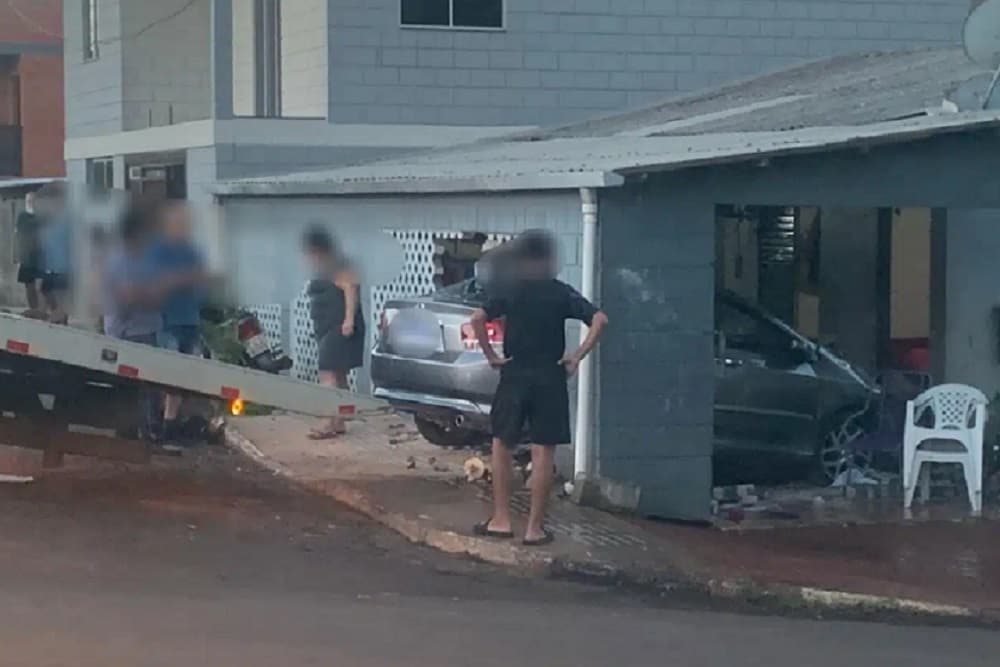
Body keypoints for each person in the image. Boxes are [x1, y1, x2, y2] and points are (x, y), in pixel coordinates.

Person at [470, 230, 608, 546]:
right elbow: (600, 319)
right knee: (544, 450)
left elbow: (477, 318)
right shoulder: (561, 292)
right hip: (550, 375)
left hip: (514, 372)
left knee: (502, 445)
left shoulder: (510, 290)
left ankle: (501, 520)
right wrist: (576, 357)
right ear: (547, 260)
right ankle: (534, 529)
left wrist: (492, 356)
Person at [103, 205, 165, 442]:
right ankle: (131, 432)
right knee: (133, 387)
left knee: (148, 387)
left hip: (145, 330)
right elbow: (129, 296)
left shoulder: (143, 258)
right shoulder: (122, 260)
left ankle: (144, 430)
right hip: (128, 333)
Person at [148, 201, 207, 444]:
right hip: (165, 320)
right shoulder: (158, 251)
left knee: (184, 375)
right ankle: (162, 423)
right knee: (169, 373)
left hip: (189, 319)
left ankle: (170, 423)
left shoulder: (192, 251)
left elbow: (201, 282)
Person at [301, 226, 364, 439]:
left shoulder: (337, 265)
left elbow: (351, 288)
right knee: (338, 373)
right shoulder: (324, 268)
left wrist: (348, 320)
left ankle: (328, 420)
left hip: (339, 327)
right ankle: (339, 419)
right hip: (328, 326)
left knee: (327, 372)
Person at [35, 182, 73, 324]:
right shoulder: (48, 222)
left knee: (61, 307)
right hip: (49, 270)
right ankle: (56, 322)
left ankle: (59, 323)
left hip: (64, 271)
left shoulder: (69, 221)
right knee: (46, 298)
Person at [14, 193, 42, 310]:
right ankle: (33, 308)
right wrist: (17, 257)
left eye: (32, 200)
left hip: (40, 255)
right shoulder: (22, 217)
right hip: (26, 256)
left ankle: (42, 309)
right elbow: (17, 235)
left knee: (41, 285)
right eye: (28, 200)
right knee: (29, 285)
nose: (30, 202)